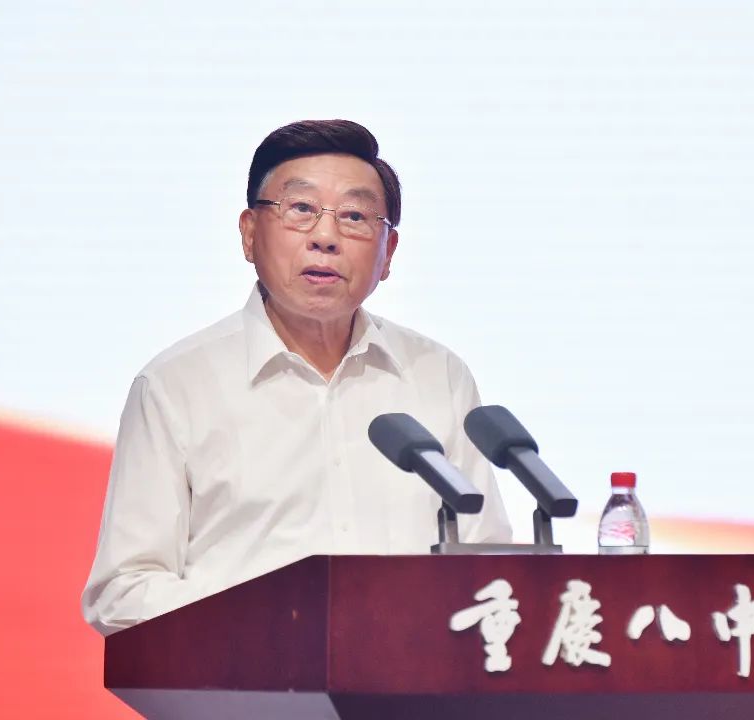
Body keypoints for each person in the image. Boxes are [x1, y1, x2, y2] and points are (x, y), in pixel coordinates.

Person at [81, 120, 512, 636]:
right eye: (301, 209)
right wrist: (273, 619)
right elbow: (124, 590)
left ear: (388, 253)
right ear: (249, 233)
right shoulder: (177, 385)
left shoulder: (438, 376)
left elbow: (490, 566)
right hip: (245, 679)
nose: (325, 238)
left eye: (354, 217)